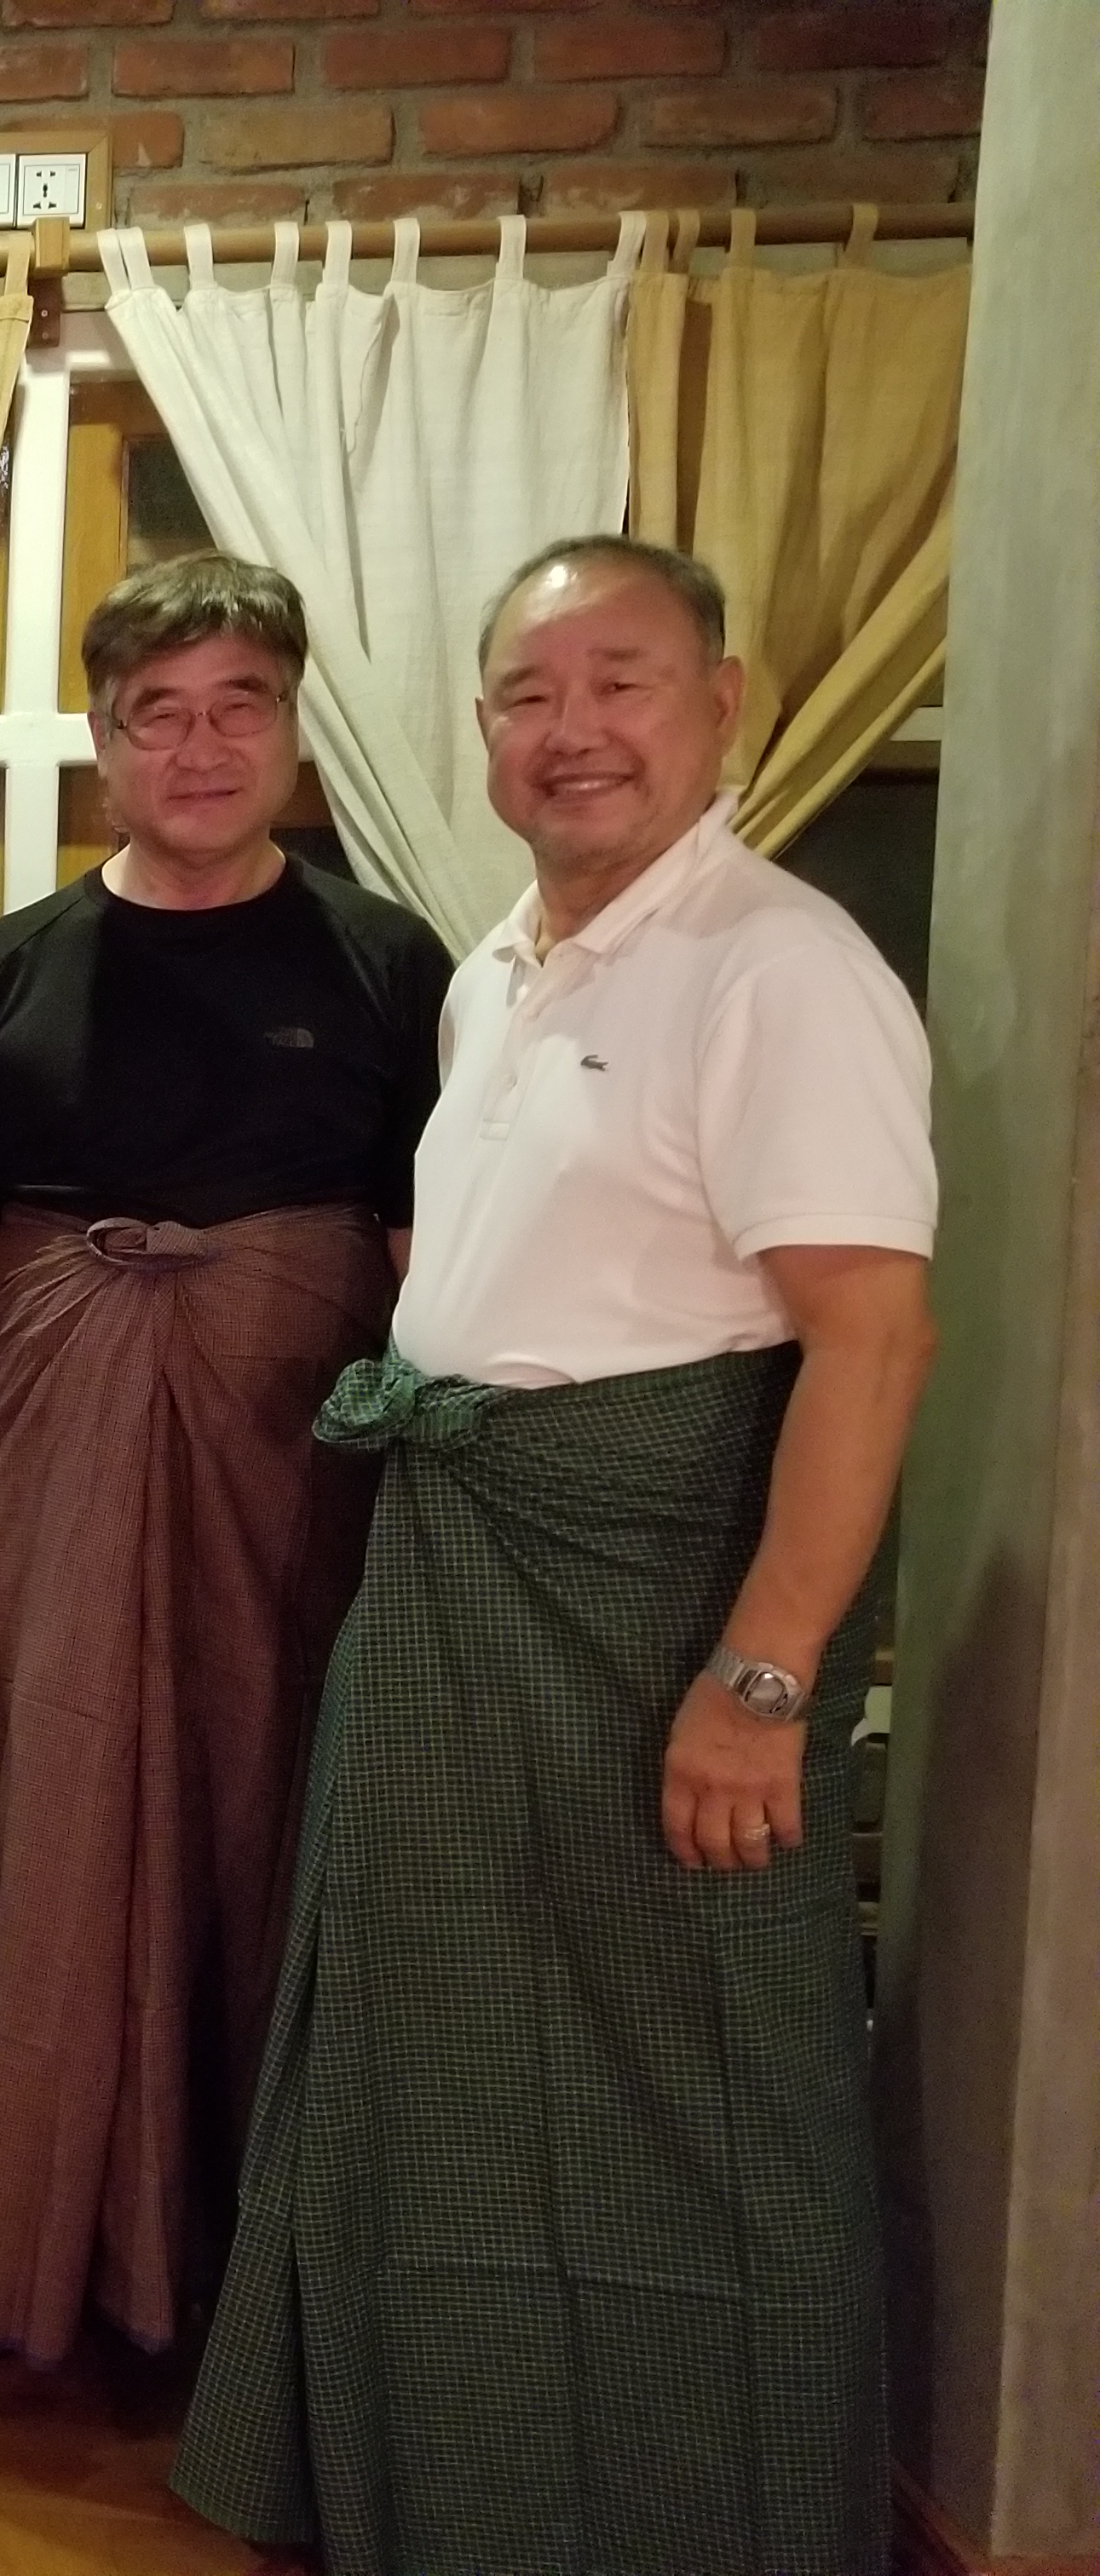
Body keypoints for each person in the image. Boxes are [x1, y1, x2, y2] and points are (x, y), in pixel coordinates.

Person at [172, 536, 936, 2576]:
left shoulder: (781, 970)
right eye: (530, 694)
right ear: (484, 730)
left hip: (651, 1607)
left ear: (725, 704)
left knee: (695, 2083)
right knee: (434, 2062)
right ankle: (449, 2492)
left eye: (623, 682)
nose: (572, 730)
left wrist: (763, 1680)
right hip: (464, 1579)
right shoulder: (497, 967)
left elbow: (871, 1339)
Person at [0, 555, 451, 2372]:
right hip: (54, 1456)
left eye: (238, 709)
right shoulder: (9, 969)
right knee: (56, 1827)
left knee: (272, 1825)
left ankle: (251, 2282)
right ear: (106, 741)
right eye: (158, 716)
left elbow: (435, 1261)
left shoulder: (390, 964)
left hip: (300, 1469)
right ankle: (58, 2263)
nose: (199, 750)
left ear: (290, 731)